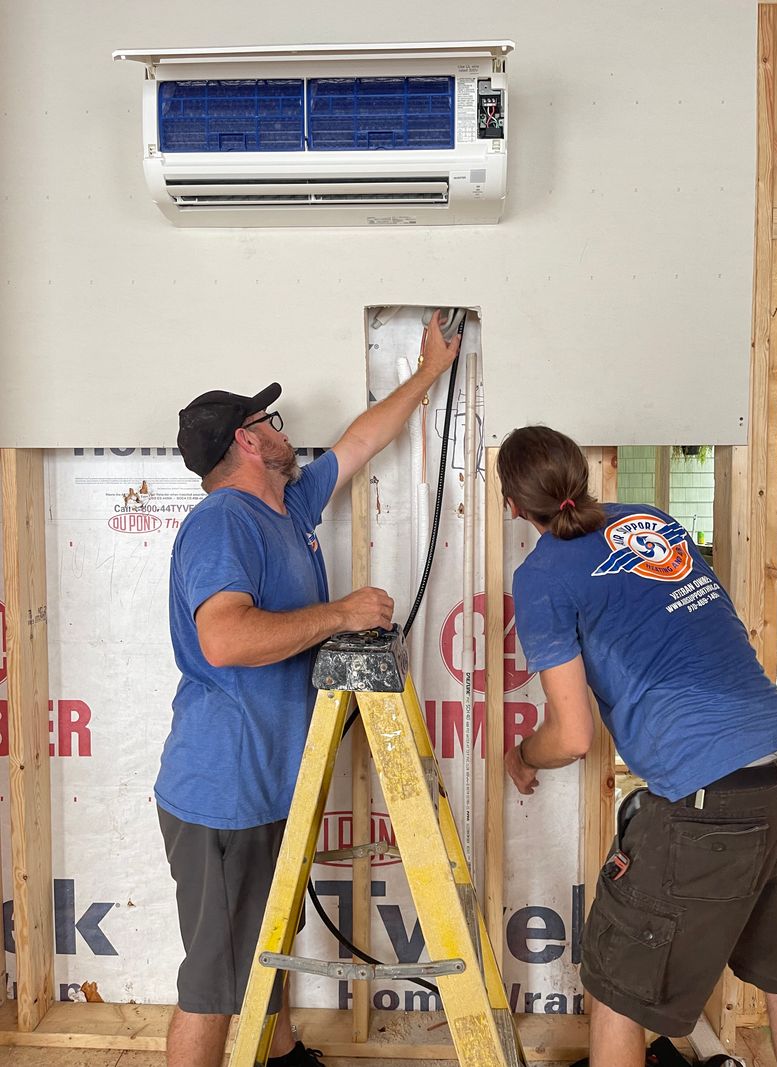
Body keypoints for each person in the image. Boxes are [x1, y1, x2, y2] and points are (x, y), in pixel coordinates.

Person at [155, 313, 461, 1067]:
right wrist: (340, 615)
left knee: (267, 944)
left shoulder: (285, 505)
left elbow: (359, 441)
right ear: (248, 443)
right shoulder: (225, 523)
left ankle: (282, 1052)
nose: (284, 431)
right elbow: (225, 638)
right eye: (270, 421)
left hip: (268, 784)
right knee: (213, 986)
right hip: (223, 793)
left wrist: (427, 373)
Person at [498, 425, 777, 1067]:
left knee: (618, 993)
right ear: (582, 475)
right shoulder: (653, 521)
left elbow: (573, 735)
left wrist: (521, 756)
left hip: (708, 800)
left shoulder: (543, 578)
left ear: (513, 507)